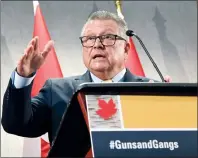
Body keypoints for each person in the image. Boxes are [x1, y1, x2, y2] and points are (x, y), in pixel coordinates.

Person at [1, 10, 158, 155]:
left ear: (125, 48)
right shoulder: (57, 91)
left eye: (108, 37)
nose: (97, 44)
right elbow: (16, 124)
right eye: (90, 39)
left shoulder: (151, 91)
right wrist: (23, 77)